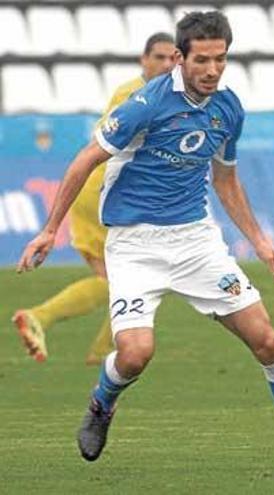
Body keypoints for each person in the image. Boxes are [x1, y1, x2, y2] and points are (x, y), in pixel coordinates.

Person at [16, 11, 274, 466]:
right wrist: (48, 229)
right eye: (202, 60)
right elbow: (86, 159)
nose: (212, 70)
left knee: (268, 342)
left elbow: (225, 178)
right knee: (137, 354)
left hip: (196, 242)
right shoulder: (146, 104)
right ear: (180, 58)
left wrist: (260, 242)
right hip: (135, 245)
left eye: (221, 59)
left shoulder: (228, 108)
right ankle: (103, 401)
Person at [12, 33, 177, 365]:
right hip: (109, 192)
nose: (165, 65)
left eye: (172, 58)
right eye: (158, 57)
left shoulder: (151, 93)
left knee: (130, 279)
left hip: (106, 190)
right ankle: (44, 319)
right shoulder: (139, 94)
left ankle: (103, 351)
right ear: (142, 60)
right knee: (132, 278)